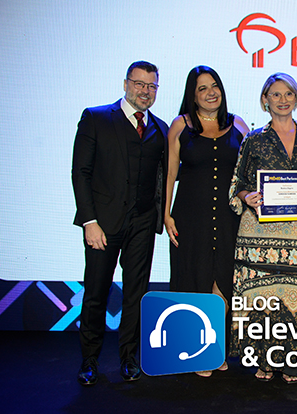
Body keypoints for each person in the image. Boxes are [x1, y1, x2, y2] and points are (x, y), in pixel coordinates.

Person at [71, 61, 169, 385]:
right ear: (126, 84)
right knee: (96, 293)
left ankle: (128, 358)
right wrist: (89, 221)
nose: (145, 91)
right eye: (139, 84)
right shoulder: (96, 118)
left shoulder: (160, 128)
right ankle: (89, 360)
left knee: (136, 294)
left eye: (152, 86)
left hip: (143, 223)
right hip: (103, 224)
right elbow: (81, 172)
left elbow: (165, 176)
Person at [229, 73, 297, 384]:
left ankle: (293, 359)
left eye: (289, 94)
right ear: (265, 100)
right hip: (258, 231)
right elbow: (238, 183)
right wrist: (247, 196)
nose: (283, 100)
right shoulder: (254, 139)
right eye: (276, 94)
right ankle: (265, 359)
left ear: (296, 98)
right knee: (264, 296)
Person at [164, 66, 249, 377]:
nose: (211, 93)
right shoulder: (180, 126)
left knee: (224, 279)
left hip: (230, 218)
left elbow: (251, 172)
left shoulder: (238, 125)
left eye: (215, 86)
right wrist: (165, 214)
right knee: (194, 278)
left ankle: (216, 348)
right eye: (202, 88)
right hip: (190, 217)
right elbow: (170, 173)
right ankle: (195, 348)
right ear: (193, 94)